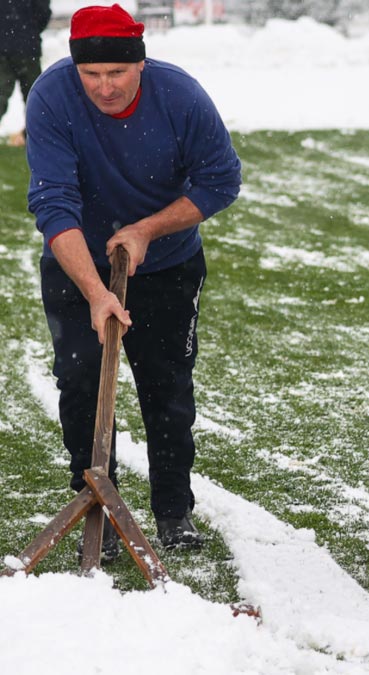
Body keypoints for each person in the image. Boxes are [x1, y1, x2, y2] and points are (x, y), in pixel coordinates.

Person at [26, 4, 241, 560]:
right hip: (78, 263)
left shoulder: (181, 97)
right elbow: (53, 202)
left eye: (116, 73)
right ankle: (96, 501)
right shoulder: (51, 97)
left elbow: (222, 180)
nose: (104, 88)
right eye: (91, 75)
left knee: (166, 387)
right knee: (81, 382)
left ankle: (174, 511)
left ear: (140, 63)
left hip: (168, 264)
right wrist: (96, 292)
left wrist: (146, 229)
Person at [0, 0, 52, 146]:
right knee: (35, 96)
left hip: (3, 46)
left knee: (1, 93)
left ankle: (35, 136)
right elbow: (43, 13)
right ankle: (37, 138)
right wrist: (30, 30)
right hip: (28, 47)